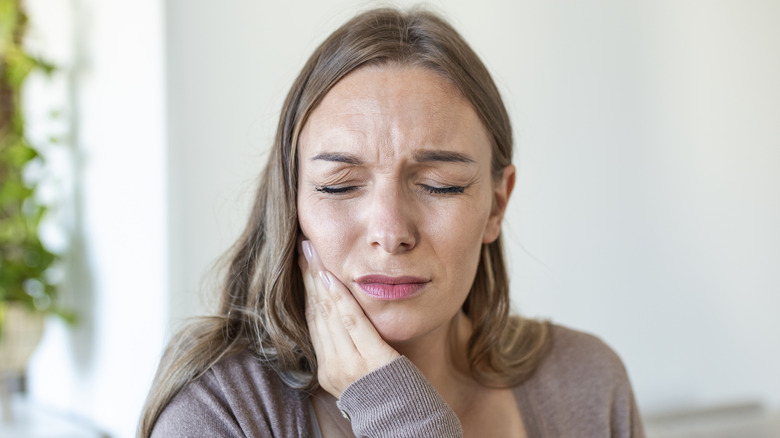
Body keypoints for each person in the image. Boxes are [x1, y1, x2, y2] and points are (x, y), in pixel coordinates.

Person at [139, 7, 644, 437]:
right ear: (291, 205)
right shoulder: (220, 408)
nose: (390, 231)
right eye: (340, 185)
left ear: (496, 205)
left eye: (439, 185)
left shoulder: (588, 383)